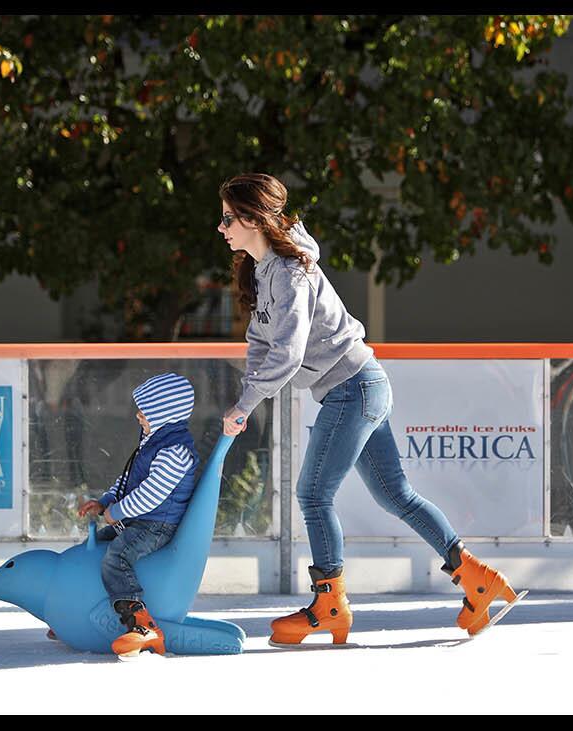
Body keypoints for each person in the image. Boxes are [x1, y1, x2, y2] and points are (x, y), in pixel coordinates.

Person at [217, 173, 522, 646]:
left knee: (313, 494)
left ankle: (329, 604)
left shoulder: (292, 272)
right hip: (361, 386)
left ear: (254, 218)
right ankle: (477, 580)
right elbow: (261, 343)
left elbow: (290, 352)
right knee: (395, 495)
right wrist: (245, 399)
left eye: (228, 218)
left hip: (352, 388)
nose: (221, 228)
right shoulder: (262, 270)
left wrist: (247, 402)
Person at [76, 372, 200, 657]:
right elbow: (128, 479)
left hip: (157, 525)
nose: (138, 416)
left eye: (144, 410)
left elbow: (152, 495)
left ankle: (142, 625)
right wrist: (105, 501)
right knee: (93, 546)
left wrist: (116, 512)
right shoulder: (153, 442)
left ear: (163, 413)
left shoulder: (175, 451)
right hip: (138, 520)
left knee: (117, 557)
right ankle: (79, 608)